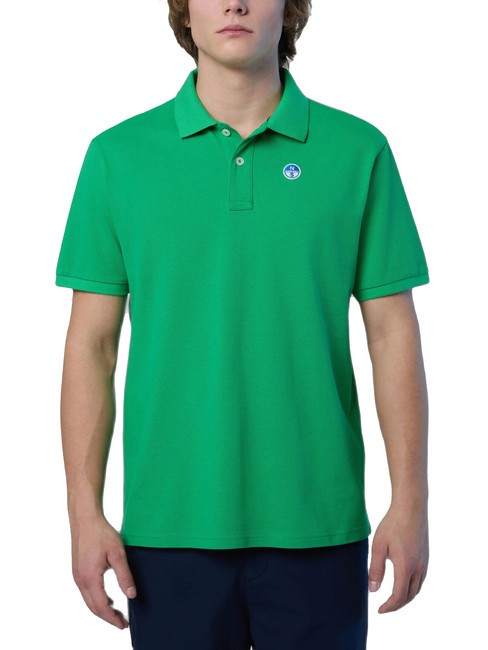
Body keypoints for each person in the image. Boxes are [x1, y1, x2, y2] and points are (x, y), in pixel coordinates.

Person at [55, 1, 430, 648]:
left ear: (289, 8)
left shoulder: (357, 151)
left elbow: (393, 333)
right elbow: (92, 346)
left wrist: (412, 500)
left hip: (320, 525)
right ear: (184, 12)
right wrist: (83, 515)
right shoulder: (118, 158)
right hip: (167, 532)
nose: (234, 2)